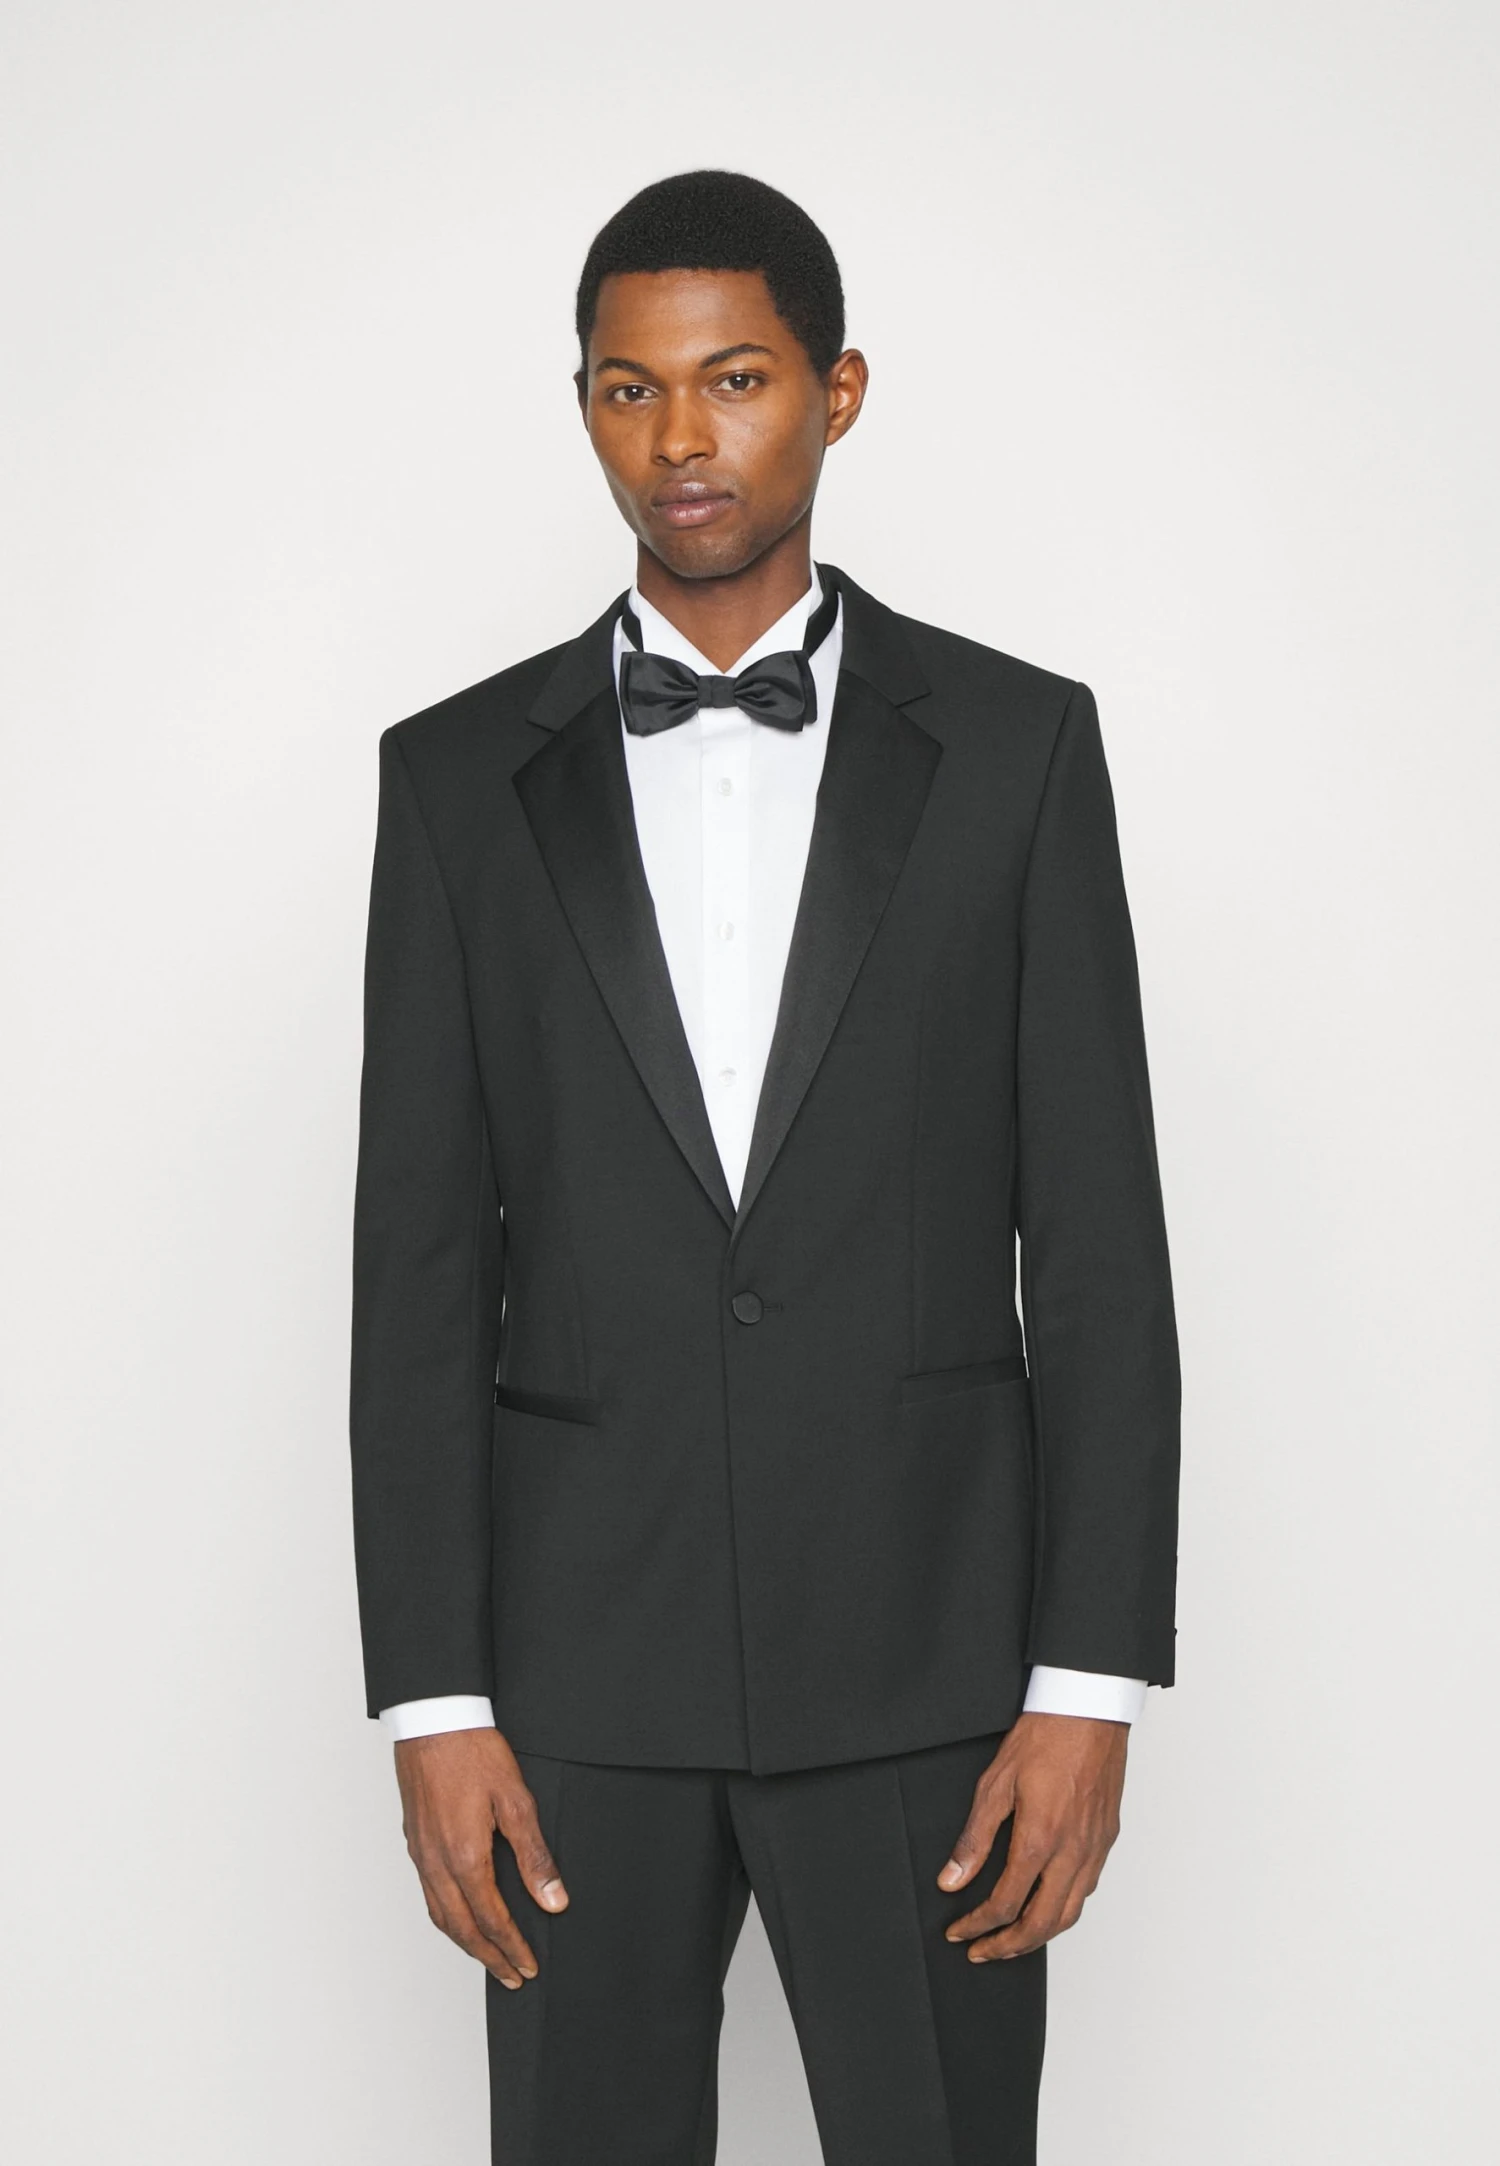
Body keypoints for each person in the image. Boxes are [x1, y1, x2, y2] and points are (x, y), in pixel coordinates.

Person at [349, 167, 1180, 2165]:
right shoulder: (454, 781)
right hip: (576, 1686)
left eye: (734, 380)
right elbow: (418, 1274)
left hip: (931, 1671)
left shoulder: (1020, 751)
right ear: (584, 407)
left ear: (839, 390)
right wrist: (435, 1706)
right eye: (628, 389)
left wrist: (1088, 1682)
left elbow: (1097, 1253)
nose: (681, 439)